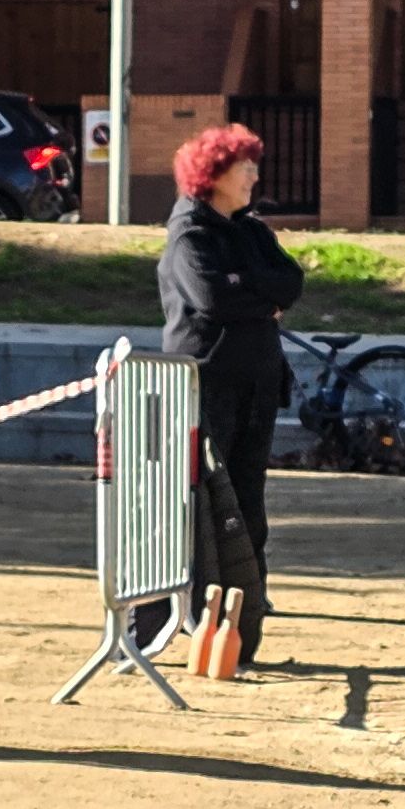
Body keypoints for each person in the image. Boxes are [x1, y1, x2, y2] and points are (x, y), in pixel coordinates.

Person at [159, 120, 302, 655]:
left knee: (250, 499)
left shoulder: (252, 231)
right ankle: (201, 612)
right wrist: (260, 296)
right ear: (214, 174)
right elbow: (211, 298)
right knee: (205, 502)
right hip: (207, 386)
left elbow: (292, 280)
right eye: (245, 168)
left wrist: (255, 287)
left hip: (260, 384)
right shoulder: (190, 233)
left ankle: (250, 607)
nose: (254, 177)